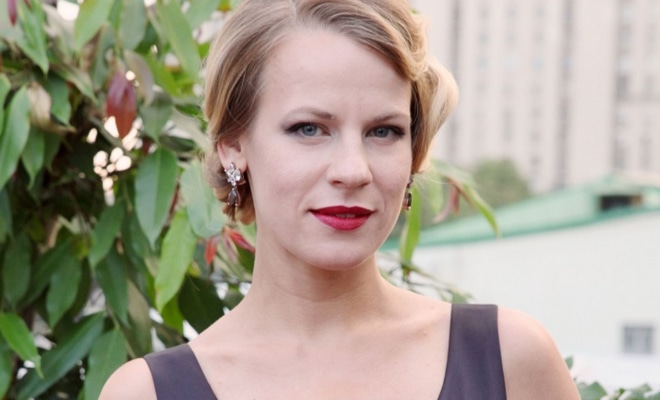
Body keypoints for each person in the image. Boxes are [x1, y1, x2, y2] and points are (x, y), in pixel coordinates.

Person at [101, 0, 580, 398]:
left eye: (384, 131)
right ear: (233, 146)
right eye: (309, 129)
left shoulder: (510, 360)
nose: (354, 171)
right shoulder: (147, 393)